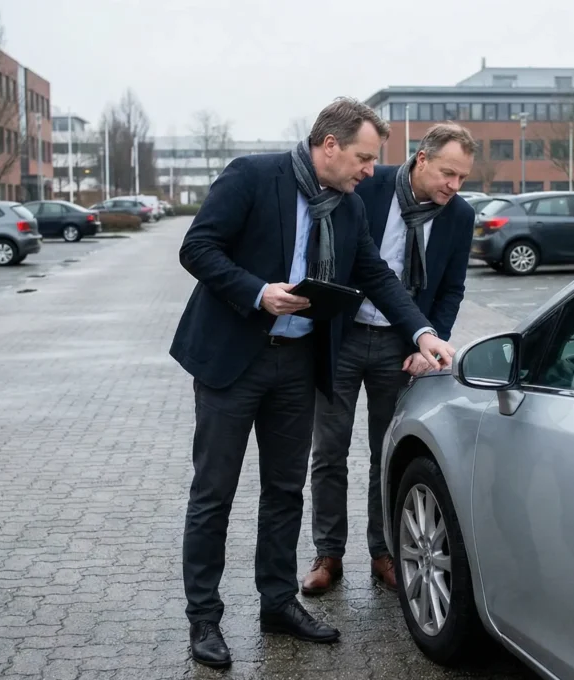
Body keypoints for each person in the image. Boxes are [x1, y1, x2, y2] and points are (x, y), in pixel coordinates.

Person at [169, 96, 459, 669]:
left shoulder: (348, 207)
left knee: (285, 490)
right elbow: (197, 247)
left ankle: (277, 602)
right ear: (329, 146)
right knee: (214, 493)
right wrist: (258, 292)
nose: (369, 171)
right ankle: (204, 617)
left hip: (298, 363)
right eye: (363, 157)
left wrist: (423, 333)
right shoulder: (254, 176)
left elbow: (375, 274)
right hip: (235, 360)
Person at [301, 122, 477, 596]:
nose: (453, 186)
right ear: (421, 159)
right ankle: (328, 554)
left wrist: (429, 342)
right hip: (344, 336)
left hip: (401, 349)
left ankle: (384, 552)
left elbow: (452, 289)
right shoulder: (368, 186)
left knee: (389, 452)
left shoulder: (459, 216)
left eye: (462, 178)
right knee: (329, 451)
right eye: (447, 173)